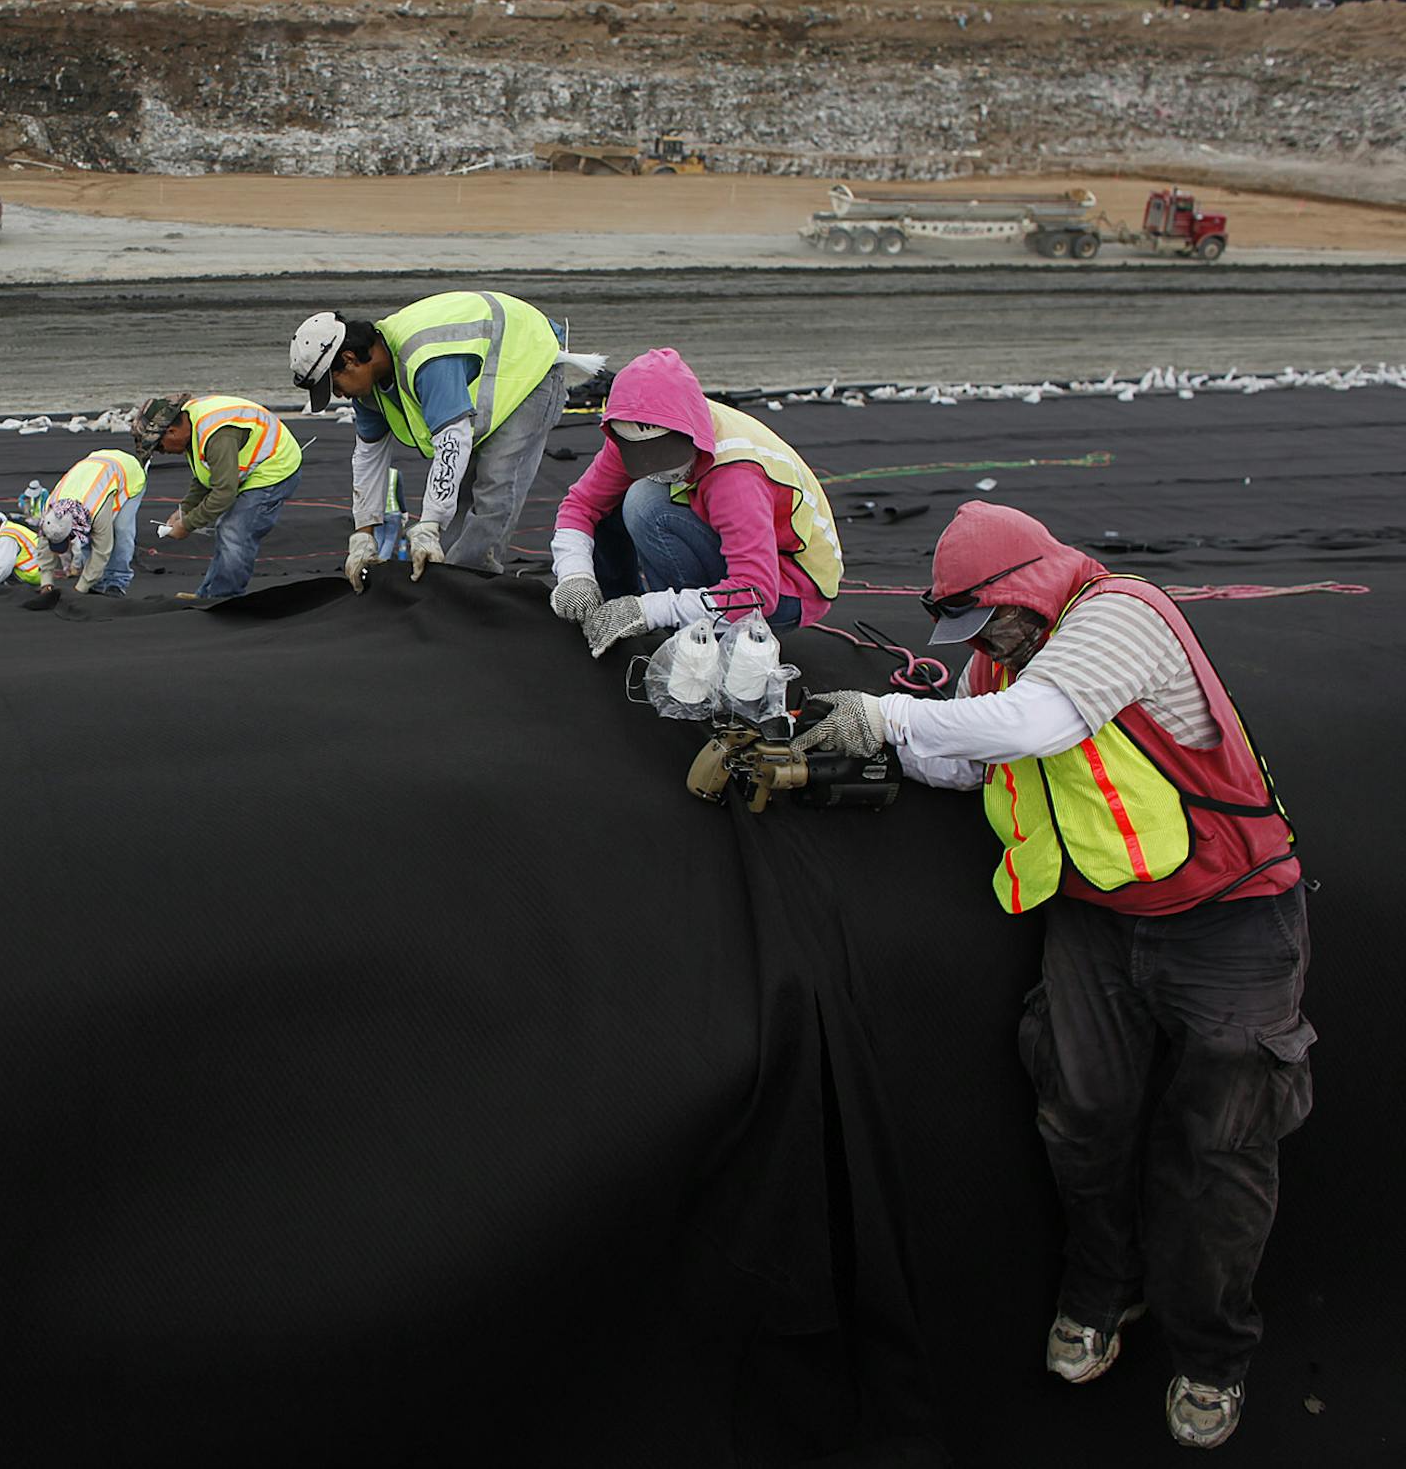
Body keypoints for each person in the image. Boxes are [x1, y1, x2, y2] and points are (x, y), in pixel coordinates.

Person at [799, 501, 1309, 1452]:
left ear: (1026, 589)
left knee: (1218, 1150)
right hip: (1098, 920)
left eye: (988, 619)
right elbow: (976, 757)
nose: (981, 642)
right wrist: (874, 738)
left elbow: (1037, 724)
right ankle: (1101, 1294)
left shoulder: (1122, 615)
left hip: (1228, 919)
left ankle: (1209, 1354)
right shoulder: (1002, 659)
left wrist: (891, 710)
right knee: (1081, 1119)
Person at [288, 291, 602, 586]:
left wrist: (429, 524)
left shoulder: (425, 361)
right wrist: (363, 535)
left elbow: (453, 438)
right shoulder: (369, 390)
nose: (339, 395)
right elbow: (369, 458)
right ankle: (446, 580)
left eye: (335, 385)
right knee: (460, 492)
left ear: (351, 358)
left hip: (529, 359)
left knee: (495, 482)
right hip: (490, 362)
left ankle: (474, 589)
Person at [550, 348, 843, 658]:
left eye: (665, 455)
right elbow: (581, 505)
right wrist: (575, 575)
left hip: (789, 588)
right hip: (752, 569)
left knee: (645, 504)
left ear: (689, 434)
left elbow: (756, 594)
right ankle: (613, 611)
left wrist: (651, 610)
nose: (654, 465)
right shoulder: (635, 428)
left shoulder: (737, 476)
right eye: (643, 455)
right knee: (616, 501)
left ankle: (694, 639)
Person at [131, 393, 303, 602]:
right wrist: (184, 509)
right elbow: (205, 476)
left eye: (159, 447)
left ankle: (225, 599)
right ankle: (208, 594)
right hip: (252, 465)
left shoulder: (216, 436)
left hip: (276, 467)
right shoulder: (192, 426)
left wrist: (187, 525)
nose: (162, 453)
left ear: (172, 431)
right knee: (226, 528)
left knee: (234, 530)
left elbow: (223, 493)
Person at [39, 446, 147, 596]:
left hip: (127, 471)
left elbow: (102, 550)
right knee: (88, 537)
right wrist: (46, 582)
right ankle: (96, 580)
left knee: (121, 529)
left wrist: (80, 590)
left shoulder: (96, 511)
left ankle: (117, 581)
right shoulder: (50, 510)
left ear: (74, 528)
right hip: (96, 464)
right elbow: (44, 545)